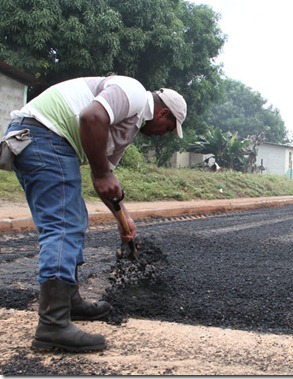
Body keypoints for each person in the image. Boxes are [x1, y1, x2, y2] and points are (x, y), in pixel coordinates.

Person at [4, 76, 187, 352]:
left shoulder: (128, 127)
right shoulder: (134, 93)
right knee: (63, 225)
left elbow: (108, 180)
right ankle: (52, 325)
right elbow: (91, 117)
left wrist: (124, 221)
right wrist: (100, 172)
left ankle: (69, 302)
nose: (164, 134)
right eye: (169, 127)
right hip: (44, 135)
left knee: (74, 218)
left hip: (48, 140)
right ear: (162, 113)